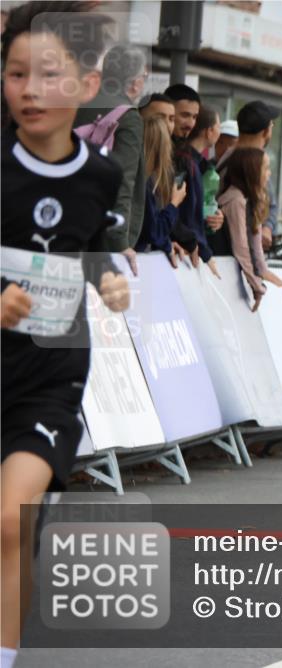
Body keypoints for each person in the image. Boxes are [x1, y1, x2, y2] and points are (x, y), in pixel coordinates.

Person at [1, 5, 132, 666]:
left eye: (48, 74)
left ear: (86, 84)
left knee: (7, 520)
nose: (30, 90)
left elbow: (95, 245)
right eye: (17, 73)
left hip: (49, 377)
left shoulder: (99, 176)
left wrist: (110, 280)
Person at [73, 43, 147, 266]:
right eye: (144, 76)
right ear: (135, 83)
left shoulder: (77, 101)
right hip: (100, 235)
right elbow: (122, 180)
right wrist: (119, 242)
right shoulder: (128, 117)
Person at [216, 148, 282, 312]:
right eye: (266, 168)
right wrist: (257, 285)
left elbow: (255, 245)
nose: (269, 174)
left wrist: (262, 276)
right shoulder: (236, 200)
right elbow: (241, 248)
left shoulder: (247, 199)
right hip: (222, 279)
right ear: (252, 171)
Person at [163, 83, 218, 275]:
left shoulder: (188, 158)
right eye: (184, 115)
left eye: (194, 117)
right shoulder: (164, 155)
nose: (190, 123)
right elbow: (167, 207)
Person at [216, 100, 281, 253]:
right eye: (272, 125)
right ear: (265, 132)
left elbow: (271, 204)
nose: (267, 173)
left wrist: (267, 227)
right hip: (233, 255)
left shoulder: (232, 160)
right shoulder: (234, 163)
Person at [135, 115, 186, 259]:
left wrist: (167, 243)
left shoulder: (144, 181)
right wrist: (174, 203)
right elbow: (154, 231)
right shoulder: (144, 185)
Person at [186, 106, 223, 239]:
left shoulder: (202, 165)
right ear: (209, 131)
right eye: (218, 127)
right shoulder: (186, 163)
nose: (220, 132)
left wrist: (215, 217)